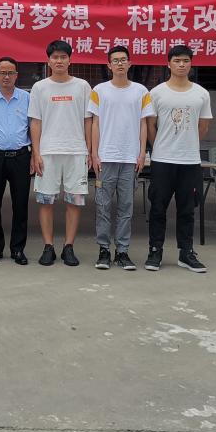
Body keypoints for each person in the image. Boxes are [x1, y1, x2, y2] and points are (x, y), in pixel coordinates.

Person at [145, 45, 213, 273]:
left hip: (190, 161)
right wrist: (160, 147)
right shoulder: (156, 93)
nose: (181, 65)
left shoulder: (201, 93)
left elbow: (203, 127)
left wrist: (187, 144)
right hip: (162, 160)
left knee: (187, 209)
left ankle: (186, 252)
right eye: (177, 61)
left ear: (191, 64)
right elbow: (151, 126)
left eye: (185, 60)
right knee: (157, 207)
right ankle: (155, 251)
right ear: (168, 64)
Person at [88, 45, 154, 271]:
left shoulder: (141, 91)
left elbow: (143, 124)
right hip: (105, 158)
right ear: (109, 65)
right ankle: (104, 250)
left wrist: (142, 153)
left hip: (129, 158)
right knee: (103, 206)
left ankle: (123, 251)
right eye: (115, 60)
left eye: (123, 60)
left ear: (129, 63)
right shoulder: (99, 90)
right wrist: (94, 154)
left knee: (126, 207)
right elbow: (95, 123)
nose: (119, 63)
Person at [28, 40, 92, 267]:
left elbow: (88, 121)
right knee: (46, 201)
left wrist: (89, 151)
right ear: (48, 61)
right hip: (48, 152)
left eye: (63, 57)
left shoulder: (82, 86)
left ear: (70, 60)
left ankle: (68, 246)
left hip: (76, 151)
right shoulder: (40, 87)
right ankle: (48, 246)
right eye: (55, 57)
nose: (59, 61)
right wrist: (35, 153)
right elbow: (35, 122)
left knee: (74, 201)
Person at [0, 56, 32, 265]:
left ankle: (18, 249)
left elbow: (33, 127)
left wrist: (34, 155)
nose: (6, 77)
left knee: (21, 205)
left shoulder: (27, 98)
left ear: (17, 75)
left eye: (10, 73)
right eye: (2, 73)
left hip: (21, 156)